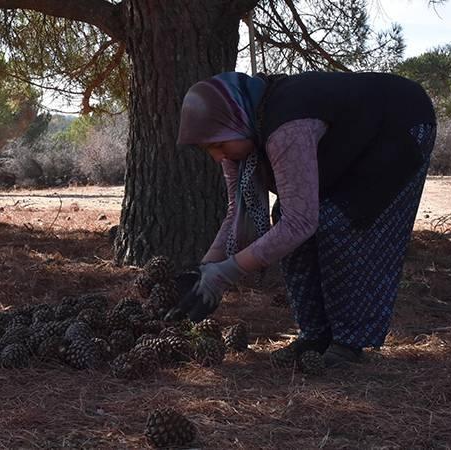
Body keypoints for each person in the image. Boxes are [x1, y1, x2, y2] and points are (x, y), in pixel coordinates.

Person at [175, 71, 436, 367]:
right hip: (348, 148)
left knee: (342, 223)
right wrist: (206, 270)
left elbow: (301, 222)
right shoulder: (240, 138)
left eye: (219, 146)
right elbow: (236, 214)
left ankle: (348, 343)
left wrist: (225, 274)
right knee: (287, 216)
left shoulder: (286, 127)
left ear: (234, 120)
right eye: (209, 149)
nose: (218, 157)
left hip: (398, 126)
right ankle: (314, 336)